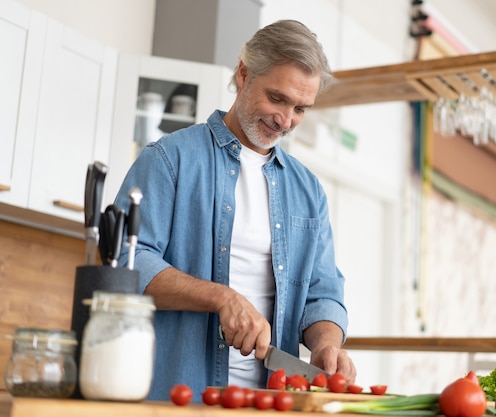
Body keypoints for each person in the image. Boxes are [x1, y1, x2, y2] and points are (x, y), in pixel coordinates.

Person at [114, 19, 357, 402]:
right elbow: (127, 262)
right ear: (243, 74)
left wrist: (327, 342)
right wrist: (221, 297)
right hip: (181, 396)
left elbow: (322, 291)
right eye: (277, 99)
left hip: (272, 401)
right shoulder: (169, 159)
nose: (286, 120)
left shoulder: (308, 191)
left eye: (300, 108)